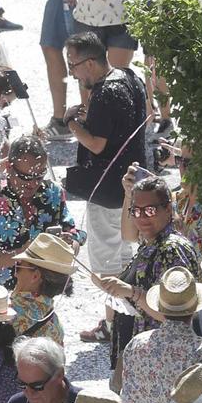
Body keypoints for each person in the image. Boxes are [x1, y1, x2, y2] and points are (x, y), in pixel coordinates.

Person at [64, 31, 148, 284]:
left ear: (89, 63)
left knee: (106, 265)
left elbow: (96, 144)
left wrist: (70, 122)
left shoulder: (104, 92)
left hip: (107, 190)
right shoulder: (131, 77)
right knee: (125, 256)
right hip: (133, 184)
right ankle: (124, 317)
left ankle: (112, 322)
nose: (72, 73)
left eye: (73, 65)